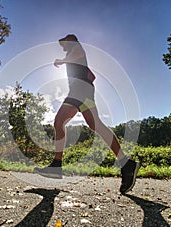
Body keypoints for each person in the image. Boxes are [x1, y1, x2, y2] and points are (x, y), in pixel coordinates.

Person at [34, 34, 140, 194]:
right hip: (84, 89)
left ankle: (57, 165)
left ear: (69, 41)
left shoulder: (75, 47)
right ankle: (126, 163)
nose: (61, 47)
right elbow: (93, 76)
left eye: (62, 44)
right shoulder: (76, 54)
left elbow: (77, 54)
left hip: (79, 89)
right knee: (95, 124)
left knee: (59, 121)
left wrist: (62, 61)